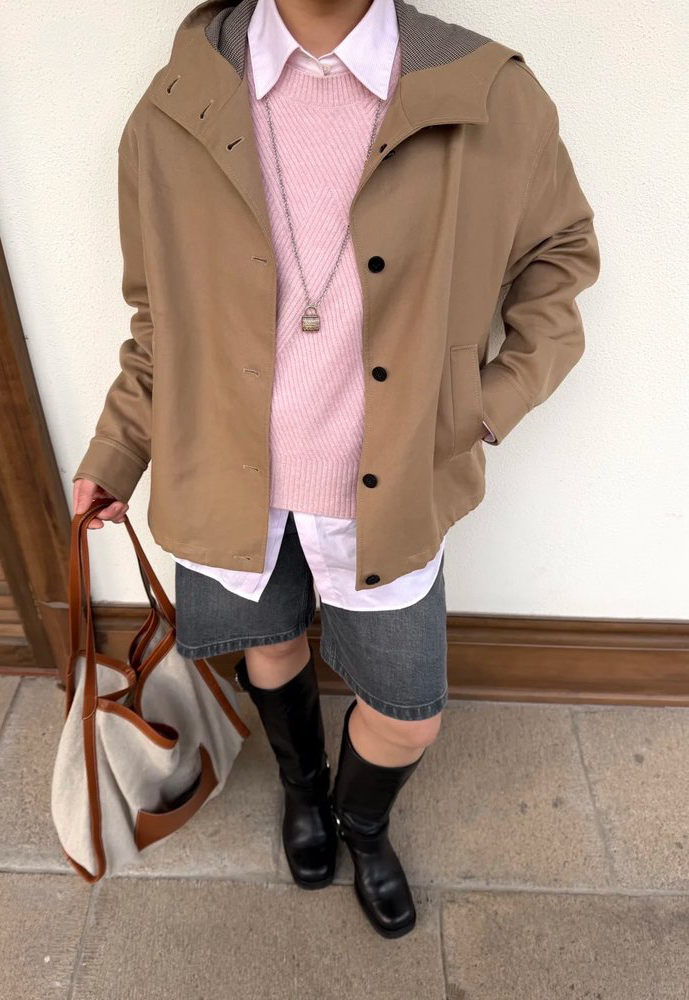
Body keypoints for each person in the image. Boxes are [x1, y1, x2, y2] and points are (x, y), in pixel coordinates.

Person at [72, 0, 600, 938]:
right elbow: (158, 318)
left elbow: (560, 256)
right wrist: (118, 450)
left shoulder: (488, 92)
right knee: (270, 646)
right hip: (223, 468)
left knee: (407, 712)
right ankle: (304, 790)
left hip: (392, 483)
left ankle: (364, 824)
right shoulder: (177, 102)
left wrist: (487, 403)